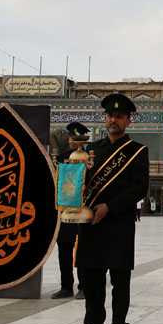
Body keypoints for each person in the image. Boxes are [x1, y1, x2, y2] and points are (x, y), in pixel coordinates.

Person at [72, 94, 149, 324]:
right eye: (109, 116)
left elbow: (139, 188)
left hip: (119, 224)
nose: (113, 120)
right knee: (90, 278)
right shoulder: (90, 150)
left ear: (128, 120)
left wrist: (110, 206)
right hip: (90, 223)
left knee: (119, 281)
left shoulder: (137, 151)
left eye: (118, 116)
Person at [51, 122, 88, 300]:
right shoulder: (63, 158)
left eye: (76, 137)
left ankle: (83, 286)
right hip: (65, 210)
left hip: (82, 210)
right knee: (64, 249)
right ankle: (66, 286)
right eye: (71, 137)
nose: (73, 141)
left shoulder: (88, 158)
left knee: (82, 252)